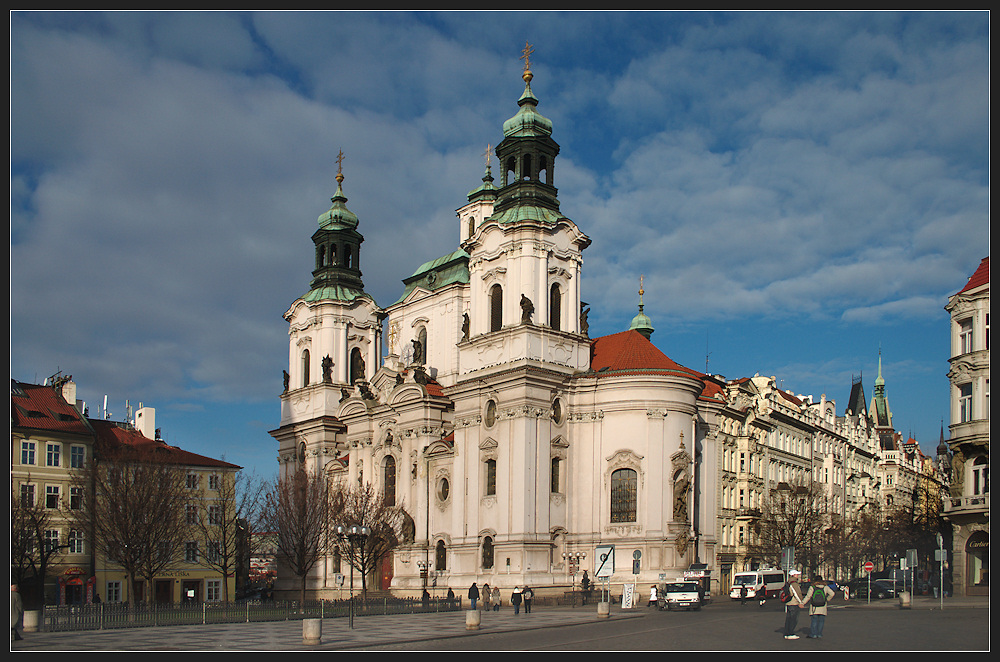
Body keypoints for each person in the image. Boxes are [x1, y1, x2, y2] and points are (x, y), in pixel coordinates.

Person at [781, 570, 807, 640]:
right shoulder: (794, 583)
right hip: (794, 603)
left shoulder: (788, 582)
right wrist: (801, 602)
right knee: (794, 619)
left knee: (788, 619)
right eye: (796, 574)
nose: (797, 575)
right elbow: (797, 593)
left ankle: (787, 633)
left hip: (789, 603)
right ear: (793, 575)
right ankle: (790, 633)